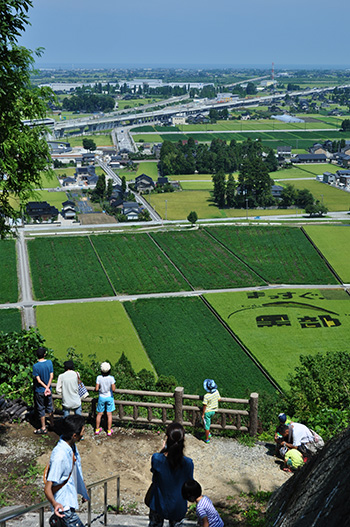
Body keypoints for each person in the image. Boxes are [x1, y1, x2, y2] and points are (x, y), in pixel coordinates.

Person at [44, 415, 89, 527]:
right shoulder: (60, 456)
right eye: (83, 431)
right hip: (64, 508)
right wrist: (55, 504)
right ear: (74, 435)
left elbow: (75, 471)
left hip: (69, 500)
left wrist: (82, 491)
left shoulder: (70, 445)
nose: (84, 433)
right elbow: (47, 488)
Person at [148, 422, 194, 527]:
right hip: (178, 506)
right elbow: (189, 485)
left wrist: (163, 449)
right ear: (184, 439)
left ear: (167, 439)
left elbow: (155, 474)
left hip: (158, 504)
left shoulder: (157, 458)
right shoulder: (188, 463)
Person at [32, 346, 54, 434]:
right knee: (49, 407)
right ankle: (52, 424)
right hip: (48, 390)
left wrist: (45, 387)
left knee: (41, 408)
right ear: (44, 354)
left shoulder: (35, 366)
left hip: (39, 390)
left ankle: (43, 427)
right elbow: (51, 376)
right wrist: (48, 388)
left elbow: (38, 380)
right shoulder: (49, 363)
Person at [95, 361, 115, 437]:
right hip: (109, 397)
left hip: (101, 397)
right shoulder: (111, 378)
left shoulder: (99, 378)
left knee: (99, 414)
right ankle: (109, 430)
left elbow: (97, 389)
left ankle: (97, 429)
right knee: (109, 414)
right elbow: (113, 389)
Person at [202, 379, 221, 443]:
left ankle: (207, 438)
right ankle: (208, 434)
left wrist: (203, 414)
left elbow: (204, 405)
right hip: (214, 411)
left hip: (207, 412)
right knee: (208, 423)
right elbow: (219, 399)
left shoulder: (206, 396)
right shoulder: (216, 392)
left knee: (207, 426)